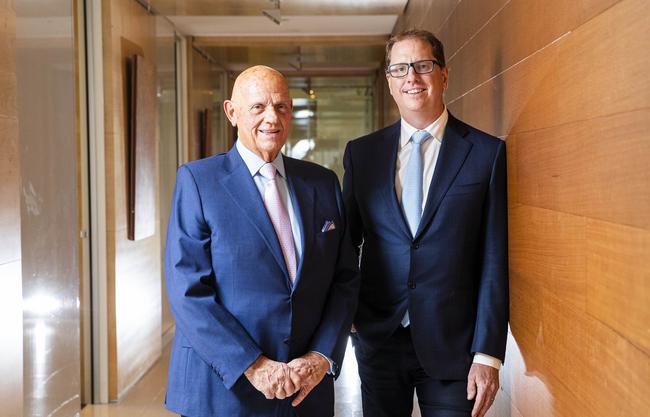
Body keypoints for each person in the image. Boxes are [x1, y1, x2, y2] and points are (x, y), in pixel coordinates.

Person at [164, 65, 359, 417]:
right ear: (231, 112)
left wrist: (320, 357)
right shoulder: (198, 181)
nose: (272, 117)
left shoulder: (323, 182)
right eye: (258, 107)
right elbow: (188, 292)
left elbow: (344, 280)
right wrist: (253, 365)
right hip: (224, 389)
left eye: (282, 106)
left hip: (306, 389)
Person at [343, 29, 508, 417]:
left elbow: (494, 258)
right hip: (379, 340)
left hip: (455, 348)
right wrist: (347, 315)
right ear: (389, 81)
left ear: (444, 75)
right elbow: (346, 245)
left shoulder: (486, 153)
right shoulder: (362, 155)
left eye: (422, 66)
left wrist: (488, 354)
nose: (411, 78)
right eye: (400, 69)